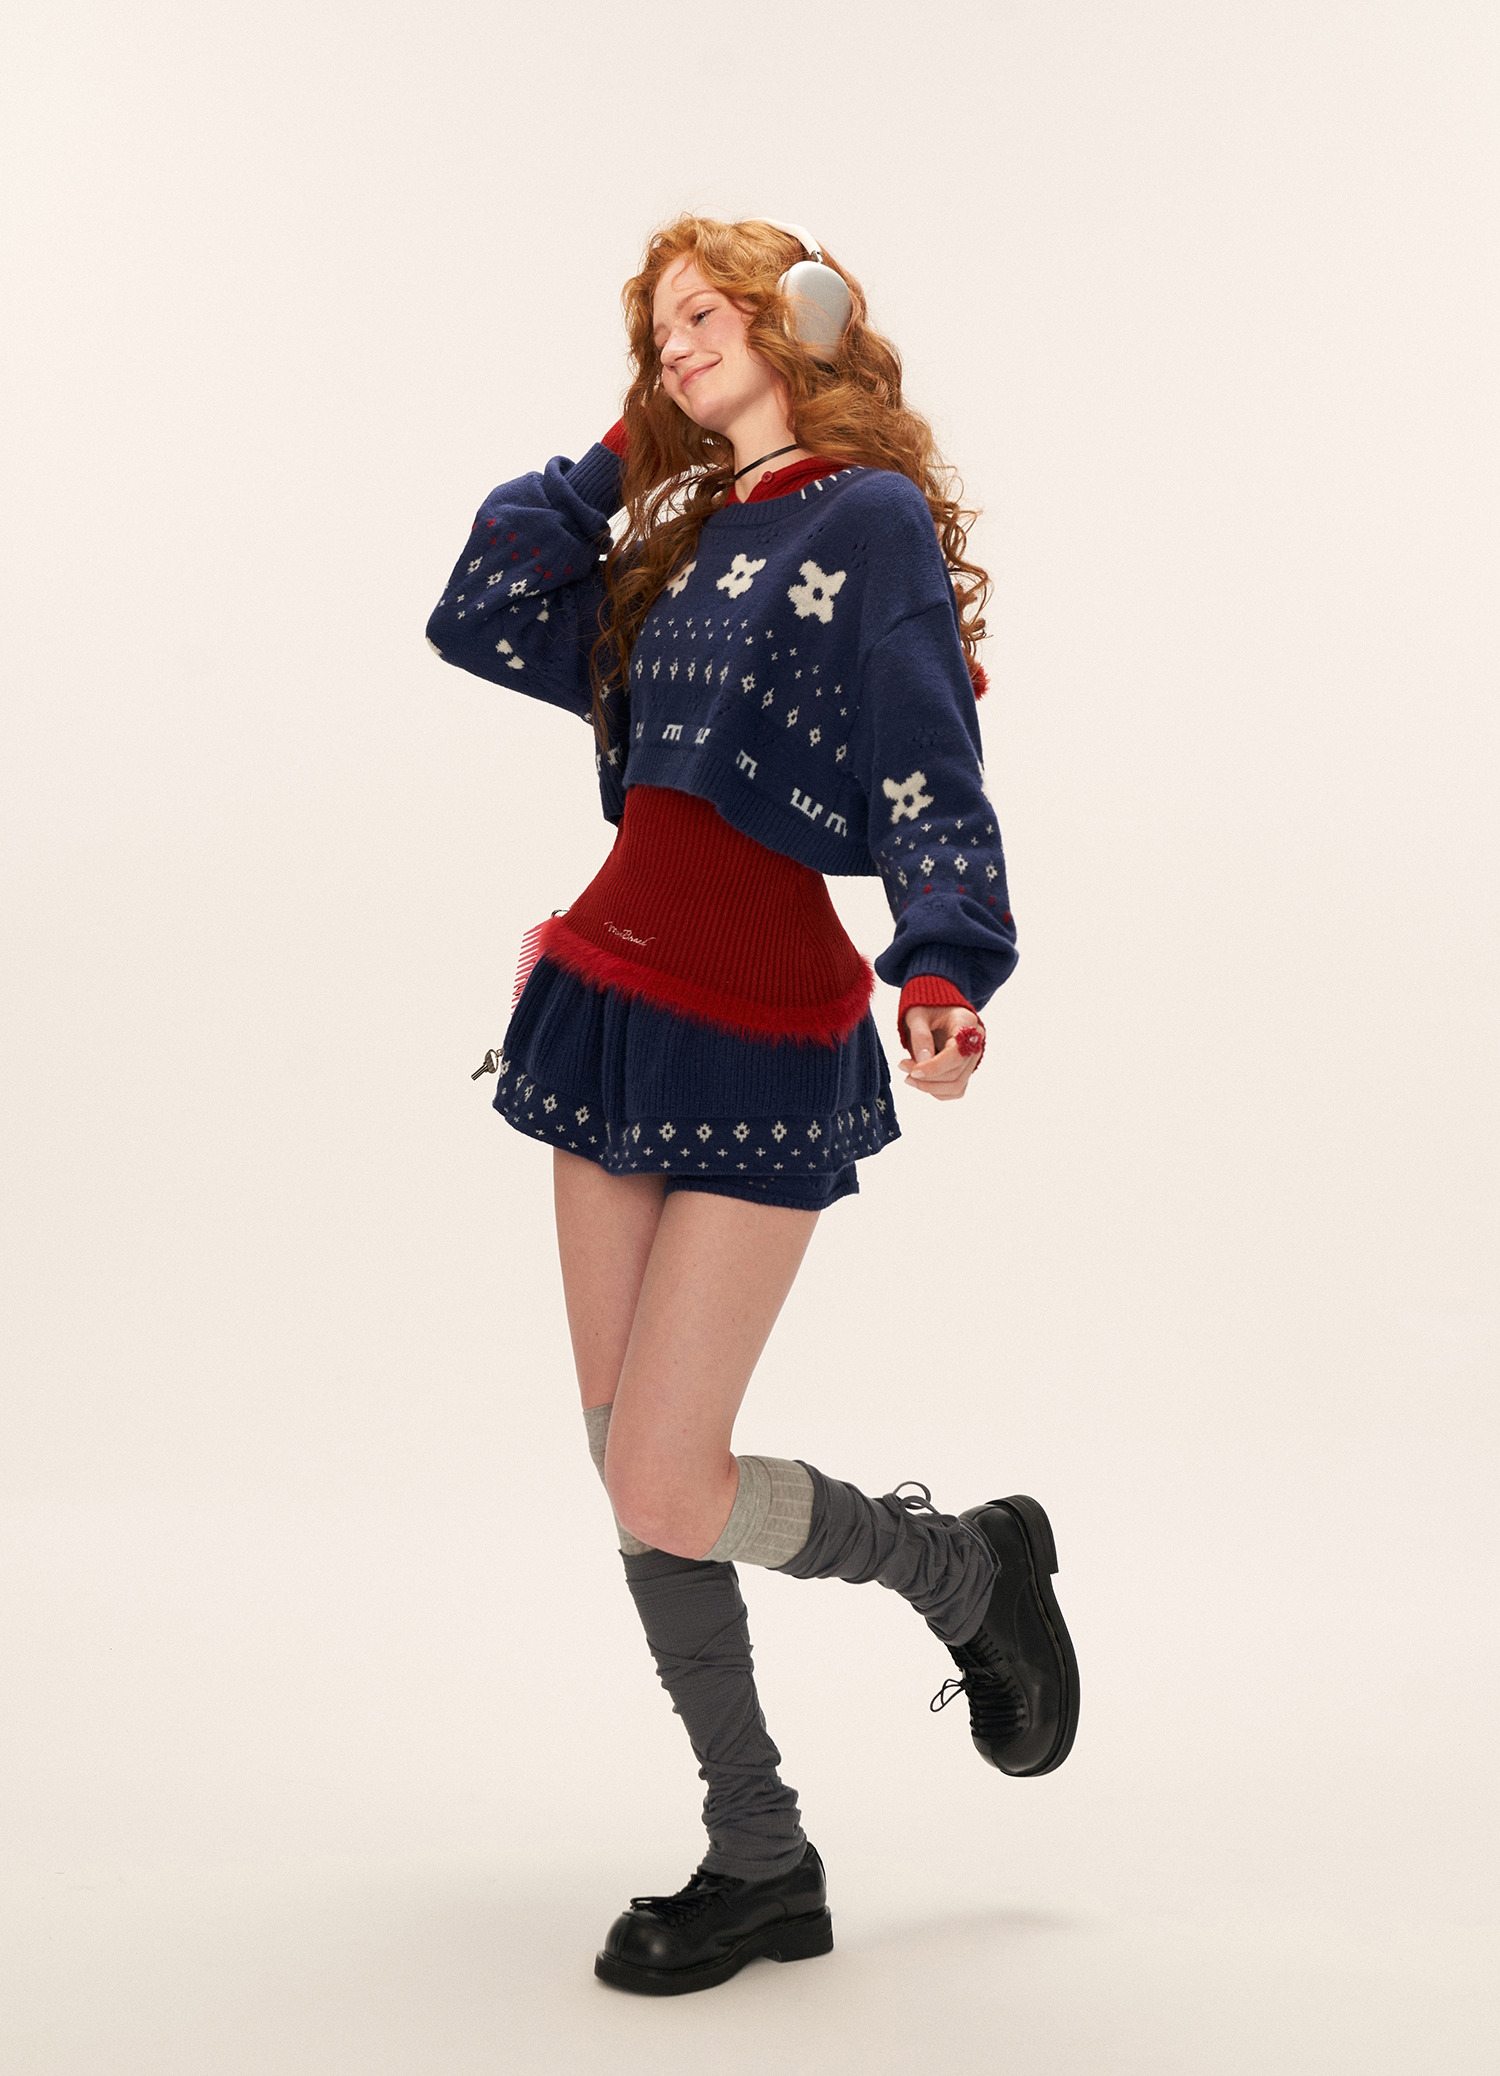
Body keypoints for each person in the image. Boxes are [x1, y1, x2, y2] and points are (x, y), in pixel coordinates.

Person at [425, 215, 1079, 1997]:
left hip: (761, 1028)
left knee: (668, 1470)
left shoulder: (862, 523)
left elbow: (930, 751)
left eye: (708, 313)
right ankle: (762, 1856)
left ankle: (959, 1574)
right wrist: (630, 445)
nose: (680, 342)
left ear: (803, 322)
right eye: (660, 329)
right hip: (607, 1008)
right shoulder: (680, 540)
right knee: (636, 1478)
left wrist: (941, 965)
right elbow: (482, 603)